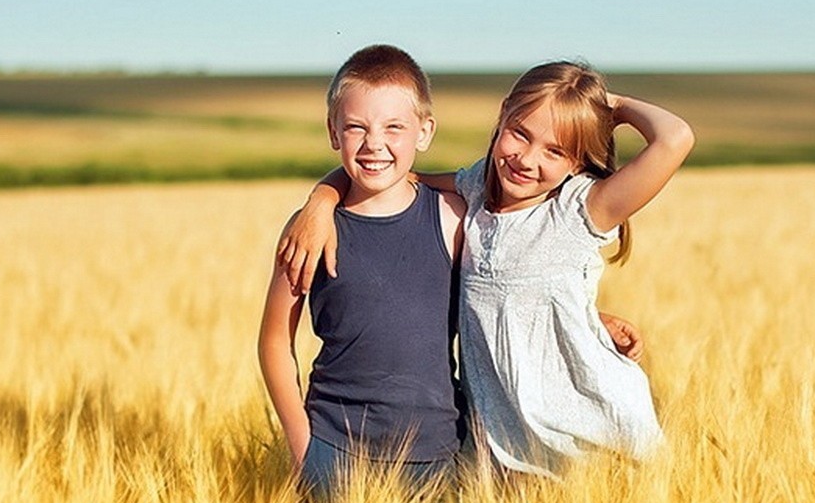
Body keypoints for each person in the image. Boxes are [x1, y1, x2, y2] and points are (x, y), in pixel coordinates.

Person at [278, 61, 694, 480]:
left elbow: (675, 138)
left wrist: (608, 106)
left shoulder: (582, 210)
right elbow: (394, 173)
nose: (527, 159)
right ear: (503, 116)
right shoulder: (475, 191)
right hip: (506, 446)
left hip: (588, 435)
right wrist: (322, 198)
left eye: (555, 150)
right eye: (520, 133)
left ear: (576, 163)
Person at [257, 45, 467, 503]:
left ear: (425, 132)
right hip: (334, 451)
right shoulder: (308, 230)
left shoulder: (454, 219)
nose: (375, 144)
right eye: (356, 127)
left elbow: (512, 292)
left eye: (395, 127)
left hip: (436, 451)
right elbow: (275, 340)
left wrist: (594, 322)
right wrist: (302, 448)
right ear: (334, 132)